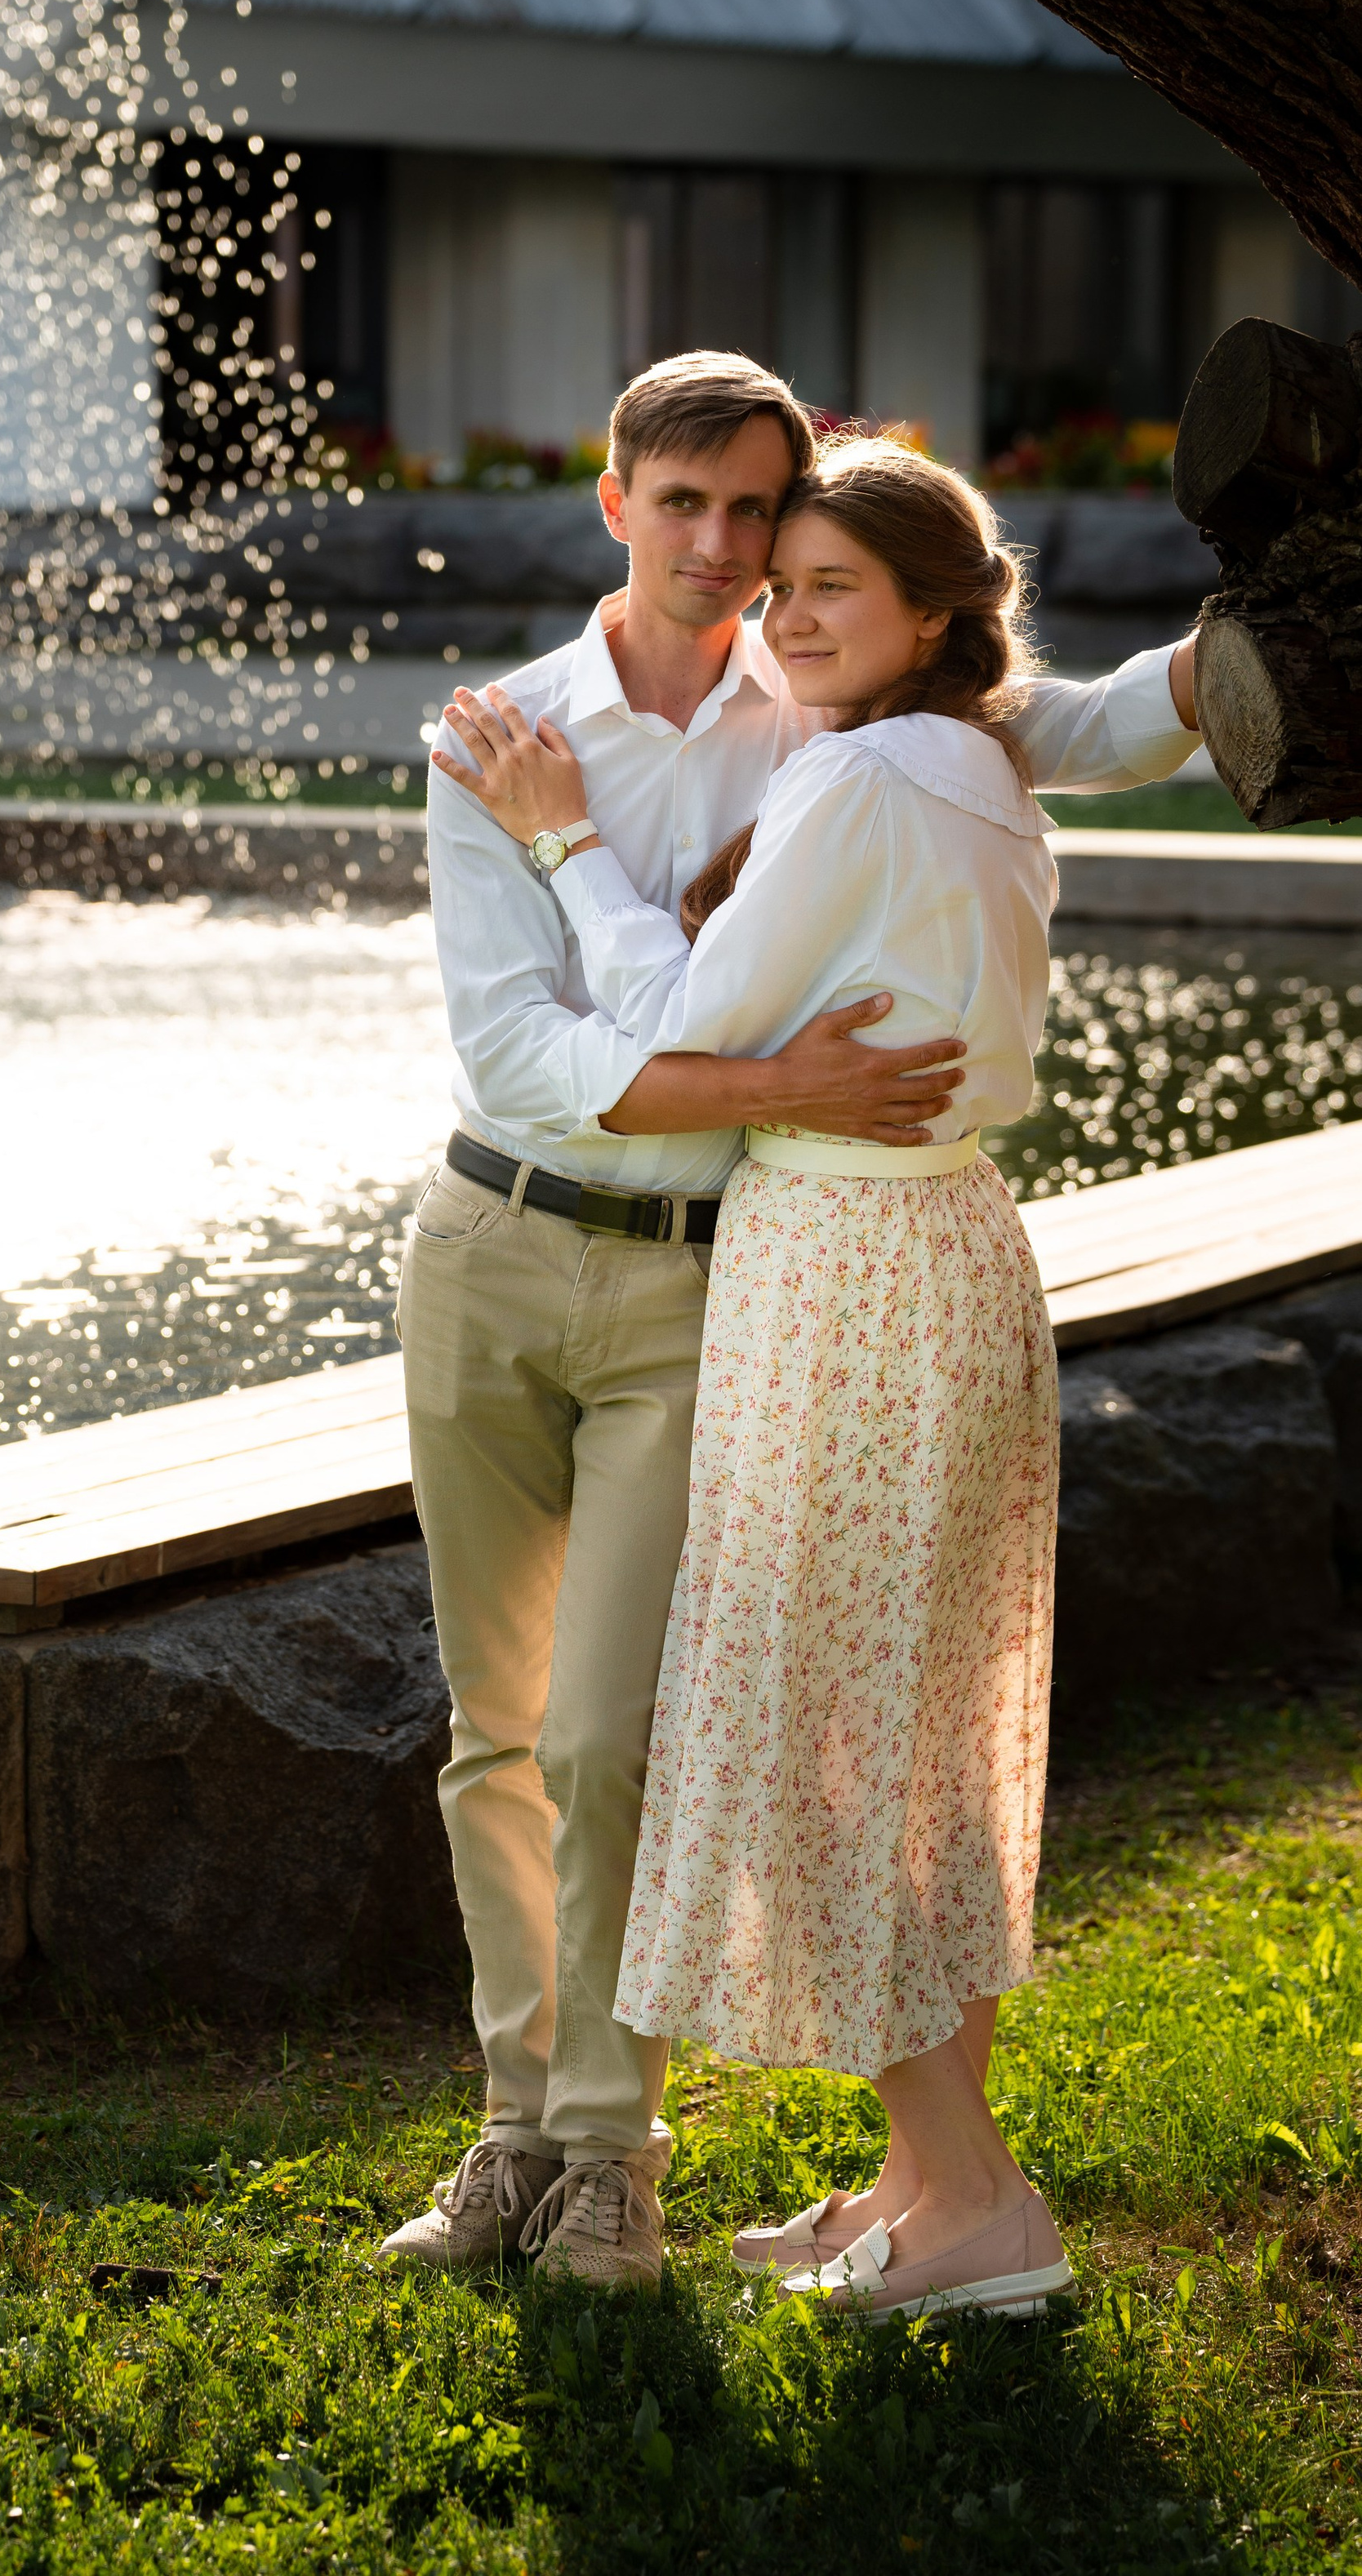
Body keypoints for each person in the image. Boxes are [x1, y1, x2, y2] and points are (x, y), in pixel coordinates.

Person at [378, 353, 1201, 2293]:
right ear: (612, 505)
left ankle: (617, 2163)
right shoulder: (506, 740)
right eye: (689, 509)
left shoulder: (832, 712)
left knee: (620, 1737)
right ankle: (526, 2144)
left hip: (720, 1278)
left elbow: (1048, 718)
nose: (733, 556)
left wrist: (1248, 644)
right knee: (495, 1734)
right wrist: (783, 1085)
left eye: (762, 518)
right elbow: (513, 1051)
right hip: (490, 1242)